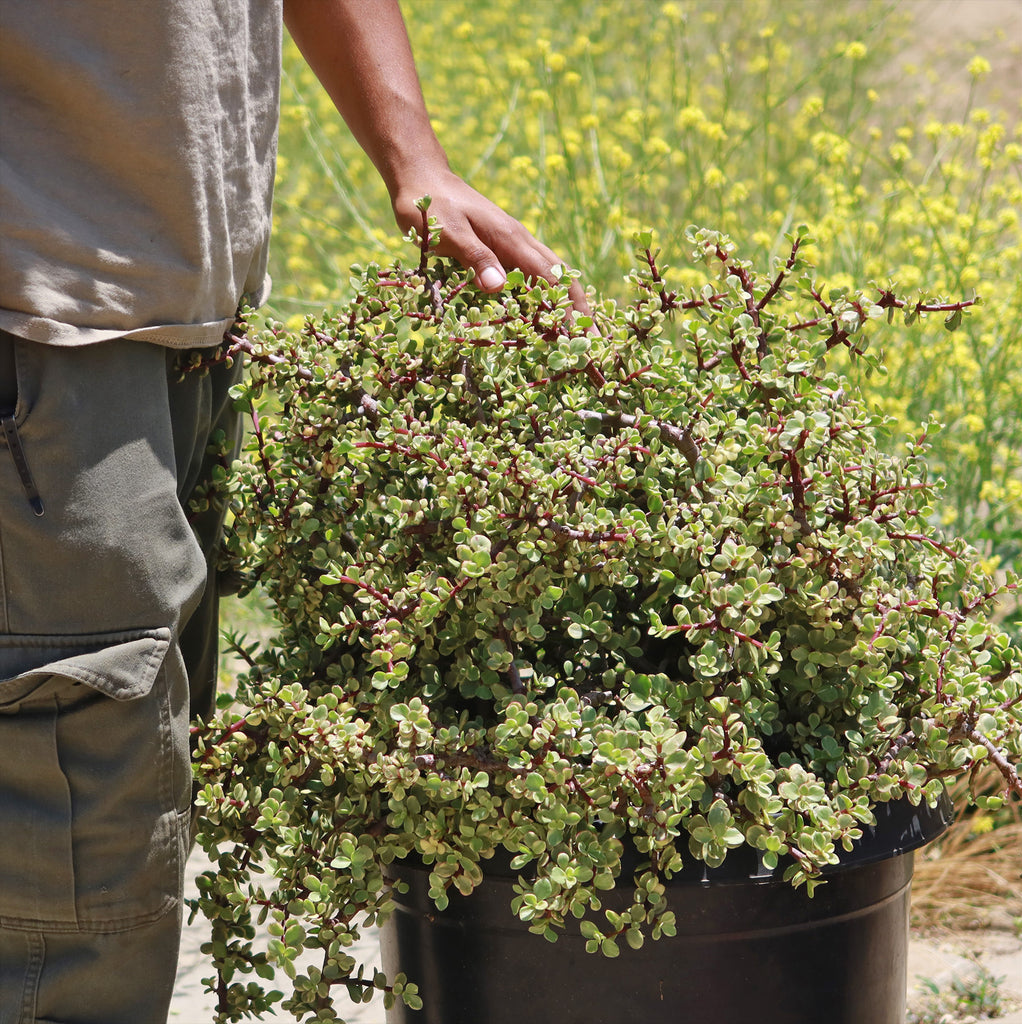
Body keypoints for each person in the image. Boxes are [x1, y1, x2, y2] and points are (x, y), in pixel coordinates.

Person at [0, 3, 584, 1021]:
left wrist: (414, 156)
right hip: (41, 324)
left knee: (125, 808)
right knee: (74, 885)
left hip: (175, 324)